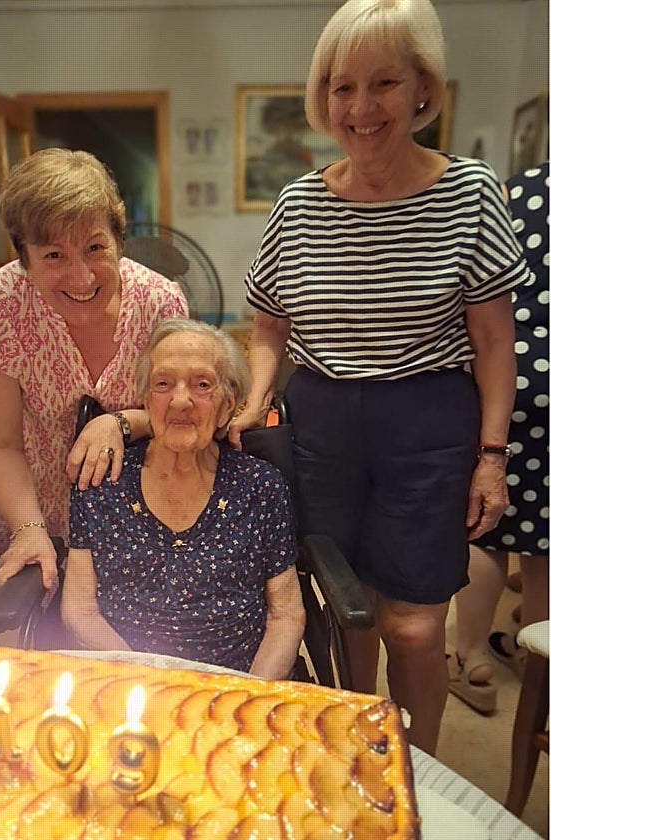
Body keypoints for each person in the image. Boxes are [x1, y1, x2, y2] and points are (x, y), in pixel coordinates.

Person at [227, 0, 529, 754]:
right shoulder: (298, 204)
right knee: (343, 606)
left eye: (385, 83)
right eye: (342, 87)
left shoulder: (470, 192)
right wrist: (256, 400)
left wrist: (492, 458)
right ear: (322, 97)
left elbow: (494, 341)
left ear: (424, 87)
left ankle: (418, 770)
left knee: (416, 621)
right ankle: (357, 758)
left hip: (429, 420)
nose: (361, 108)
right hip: (322, 421)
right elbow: (269, 328)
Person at [0, 148, 188, 598]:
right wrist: (29, 528)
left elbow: (186, 416)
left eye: (95, 247)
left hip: (147, 516)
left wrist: (120, 422)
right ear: (23, 255)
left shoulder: (160, 305)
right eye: (54, 256)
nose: (81, 277)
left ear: (118, 239)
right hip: (39, 516)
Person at [62, 319, 306, 679]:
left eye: (202, 384)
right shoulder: (102, 481)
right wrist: (144, 686)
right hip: (127, 686)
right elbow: (80, 610)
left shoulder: (259, 486)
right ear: (145, 400)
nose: (180, 400)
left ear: (228, 404)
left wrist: (250, 695)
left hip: (239, 688)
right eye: (163, 384)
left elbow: (285, 615)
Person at [448, 160, 550, 713]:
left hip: (511, 374)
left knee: (487, 529)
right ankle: (542, 673)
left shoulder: (521, 191)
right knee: (546, 545)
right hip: (532, 374)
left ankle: (470, 657)